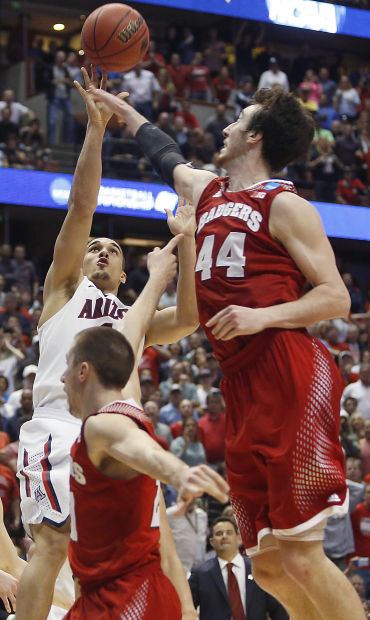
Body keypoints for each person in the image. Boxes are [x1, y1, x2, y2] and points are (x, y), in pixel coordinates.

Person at [90, 83, 365, 619]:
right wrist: (117, 108)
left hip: (289, 371)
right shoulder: (209, 190)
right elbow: (162, 152)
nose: (225, 127)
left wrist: (263, 315)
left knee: (303, 555)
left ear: (254, 136)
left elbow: (337, 297)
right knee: (266, 564)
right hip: (238, 382)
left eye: (237, 120)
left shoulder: (284, 204)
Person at [15, 67, 199, 620]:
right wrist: (95, 132)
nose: (99, 252)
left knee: (145, 549)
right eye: (93, 247)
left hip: (119, 430)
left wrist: (186, 240)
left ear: (124, 272)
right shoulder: (63, 290)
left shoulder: (134, 316)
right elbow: (80, 208)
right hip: (56, 422)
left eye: (111, 251)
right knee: (49, 545)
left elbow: (189, 316)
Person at [61, 247, 228, 618]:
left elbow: (141, 448)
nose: (62, 377)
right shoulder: (117, 398)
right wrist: (159, 274)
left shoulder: (104, 424)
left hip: (124, 599)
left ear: (84, 371)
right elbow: (132, 329)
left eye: (67, 367)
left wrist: (179, 471)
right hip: (111, 591)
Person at [189, 516, 288, 620]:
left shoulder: (258, 567)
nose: (224, 536)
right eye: (219, 534)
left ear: (238, 538)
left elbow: (278, 609)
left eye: (229, 532)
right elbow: (186, 609)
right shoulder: (200, 574)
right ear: (212, 542)